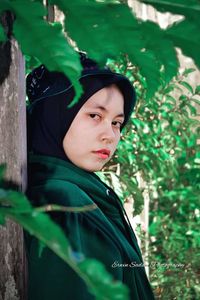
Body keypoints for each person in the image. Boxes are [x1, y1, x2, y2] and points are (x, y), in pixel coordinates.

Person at [25, 53, 155, 300]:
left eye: (117, 122)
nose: (110, 135)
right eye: (95, 116)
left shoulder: (86, 191)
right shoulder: (64, 201)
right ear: (55, 115)